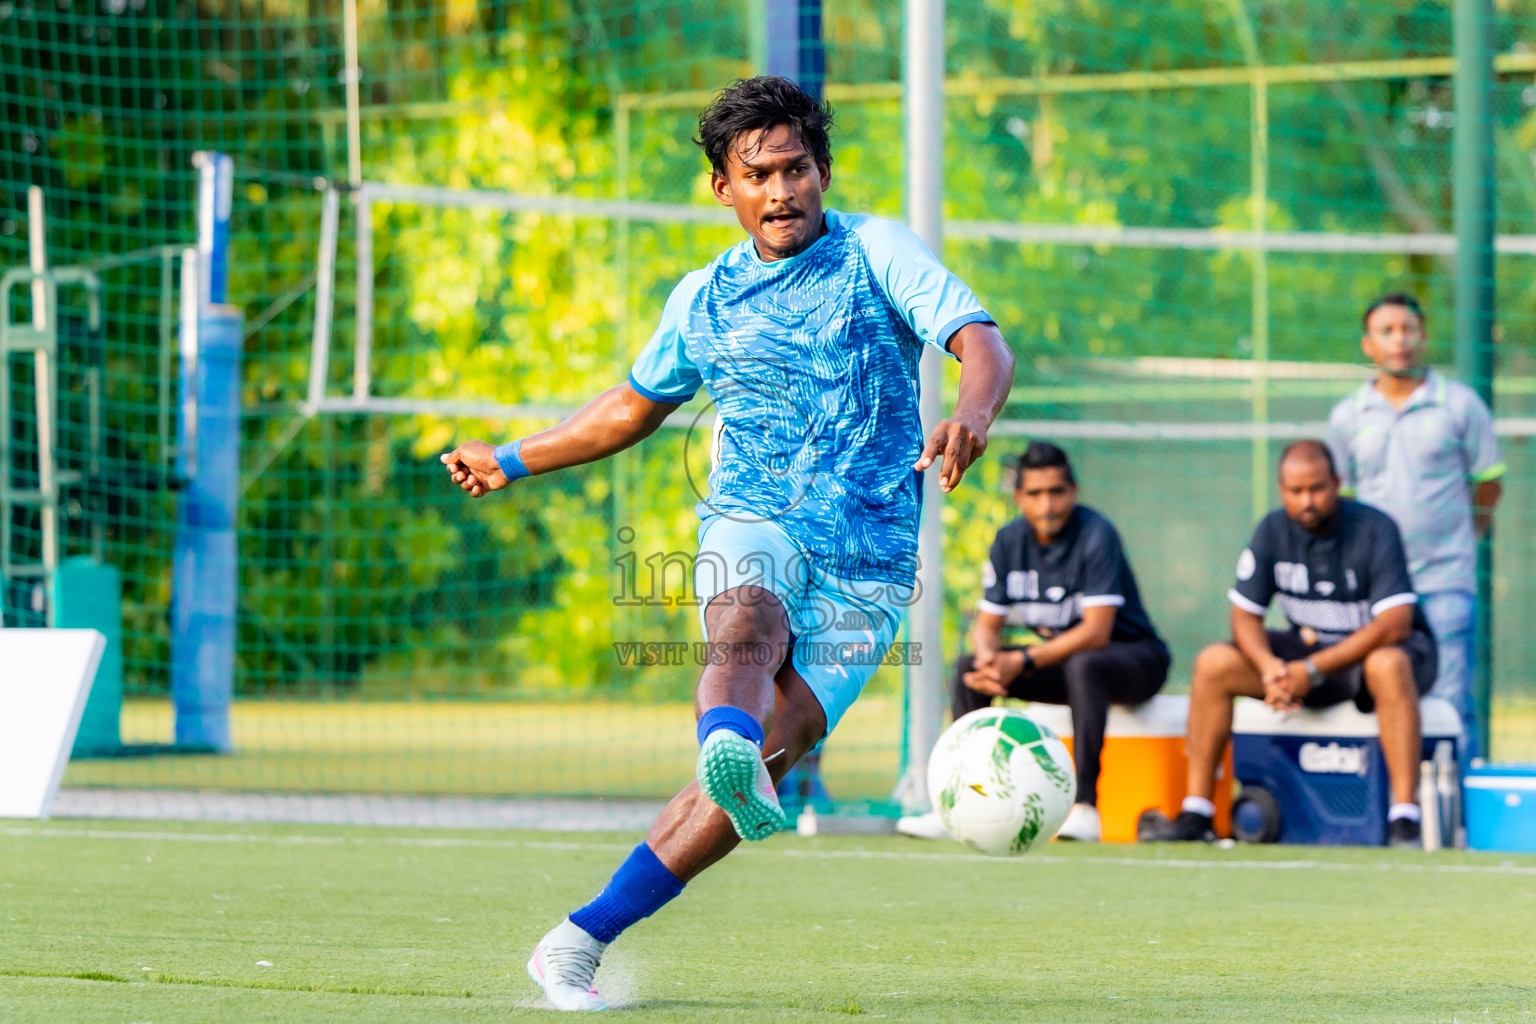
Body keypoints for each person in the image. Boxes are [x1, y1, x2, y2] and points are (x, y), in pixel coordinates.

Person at [439, 77, 1014, 1011]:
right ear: (724, 188)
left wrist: (971, 413)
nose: (782, 189)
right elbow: (631, 407)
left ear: (822, 170)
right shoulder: (701, 299)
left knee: (773, 748)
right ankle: (727, 743)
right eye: (760, 174)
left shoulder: (877, 251)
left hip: (869, 566)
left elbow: (981, 341)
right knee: (748, 621)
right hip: (755, 516)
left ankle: (576, 939)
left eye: (797, 168)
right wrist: (514, 457)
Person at [1139, 441, 1437, 849]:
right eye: (1296, 491)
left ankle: (1405, 819)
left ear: (1337, 483)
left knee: (1386, 663)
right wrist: (1270, 669)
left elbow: (1394, 625)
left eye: (1316, 489)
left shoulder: (1375, 528)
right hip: (1310, 657)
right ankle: (1198, 813)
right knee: (1214, 663)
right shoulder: (1272, 529)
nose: (1307, 501)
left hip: (1383, 656)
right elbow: (1244, 615)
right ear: (1281, 489)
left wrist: (1309, 670)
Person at [897, 441, 1170, 843]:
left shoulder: (1097, 534)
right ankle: (955, 804)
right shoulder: (1009, 541)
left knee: (1086, 665)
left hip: (1135, 661)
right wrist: (991, 663)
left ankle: (1085, 809)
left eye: (1056, 492)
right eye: (1036, 494)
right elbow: (988, 624)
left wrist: (1022, 660)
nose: (1047, 505)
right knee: (969, 669)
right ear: (1019, 497)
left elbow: (1096, 632)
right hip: (1067, 666)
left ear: (1073, 492)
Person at [1326, 293, 1504, 759]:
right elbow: (1339, 501)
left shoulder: (1461, 406)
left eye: (1408, 329)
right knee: (1375, 693)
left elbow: (1488, 483)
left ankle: (1456, 820)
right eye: (1387, 331)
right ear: (1369, 344)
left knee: (1450, 702)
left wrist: (1468, 536)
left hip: (1445, 580)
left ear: (1424, 336)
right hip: (1375, 593)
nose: (1399, 340)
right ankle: (1395, 806)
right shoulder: (1348, 416)